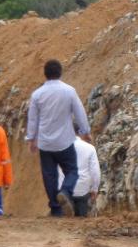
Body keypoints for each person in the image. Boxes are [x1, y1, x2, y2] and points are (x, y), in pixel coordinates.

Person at [26, 60, 91, 217]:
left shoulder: (37, 94)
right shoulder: (69, 91)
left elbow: (33, 119)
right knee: (72, 170)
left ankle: (56, 209)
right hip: (65, 141)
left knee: (49, 176)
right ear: (60, 72)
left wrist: (31, 139)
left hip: (45, 143)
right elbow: (79, 113)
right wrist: (85, 131)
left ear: (45, 74)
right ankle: (65, 191)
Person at [58, 124, 101, 217]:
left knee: (66, 221)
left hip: (66, 190)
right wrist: (94, 189)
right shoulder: (90, 148)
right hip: (83, 190)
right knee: (82, 218)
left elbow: (59, 171)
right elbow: (95, 171)